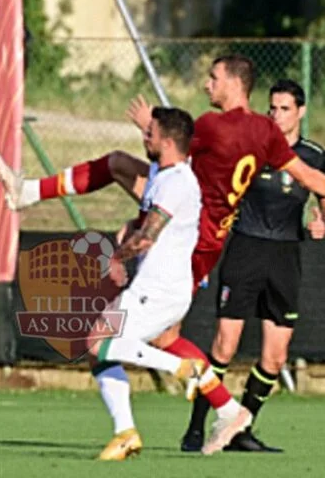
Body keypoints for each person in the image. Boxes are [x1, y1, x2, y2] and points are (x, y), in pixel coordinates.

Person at [0, 54, 325, 458]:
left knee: (117, 338)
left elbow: (170, 151)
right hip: (208, 234)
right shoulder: (264, 130)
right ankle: (220, 410)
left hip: (190, 229)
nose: (207, 85)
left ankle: (211, 400)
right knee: (119, 166)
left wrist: (147, 138)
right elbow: (307, 176)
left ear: (233, 82)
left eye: (213, 78)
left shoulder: (215, 126)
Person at [87, 107, 254, 459]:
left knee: (98, 344)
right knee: (100, 352)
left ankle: (182, 369)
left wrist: (116, 258)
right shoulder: (161, 173)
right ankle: (129, 432)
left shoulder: (178, 180)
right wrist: (129, 232)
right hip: (154, 287)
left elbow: (148, 237)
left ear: (166, 141)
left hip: (160, 291)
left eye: (150, 133)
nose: (143, 137)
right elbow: (142, 226)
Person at [181, 79, 325, 453]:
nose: (277, 115)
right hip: (246, 249)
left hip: (285, 256)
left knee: (275, 355)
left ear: (300, 112)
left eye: (285, 108)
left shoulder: (316, 156)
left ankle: (238, 430)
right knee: (224, 345)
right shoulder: (253, 145)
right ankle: (197, 427)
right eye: (272, 107)